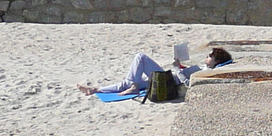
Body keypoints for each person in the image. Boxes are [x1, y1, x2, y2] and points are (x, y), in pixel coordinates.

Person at [78, 46, 234, 96]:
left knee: (141, 57)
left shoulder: (206, 72)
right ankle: (95, 90)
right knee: (131, 81)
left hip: (168, 81)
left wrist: (176, 69)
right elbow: (185, 75)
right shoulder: (204, 68)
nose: (207, 57)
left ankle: (133, 86)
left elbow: (188, 83)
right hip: (169, 77)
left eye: (210, 56)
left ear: (217, 61)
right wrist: (180, 66)